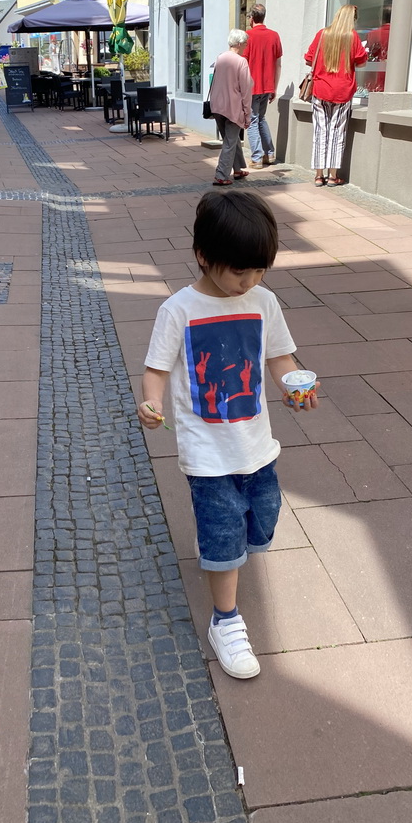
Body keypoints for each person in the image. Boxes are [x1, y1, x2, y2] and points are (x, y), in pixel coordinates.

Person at [138, 190, 319, 680]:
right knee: (223, 536)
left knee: (262, 519)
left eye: (259, 271)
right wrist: (150, 403)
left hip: (257, 443)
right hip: (207, 452)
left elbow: (279, 357)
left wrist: (293, 385)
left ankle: (221, 547)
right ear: (204, 256)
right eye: (240, 270)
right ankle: (226, 620)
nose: (250, 280)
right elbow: (156, 369)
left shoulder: (263, 301)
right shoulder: (179, 310)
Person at [303, 4, 367, 187]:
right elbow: (362, 62)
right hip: (343, 90)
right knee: (337, 133)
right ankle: (332, 176)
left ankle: (318, 175)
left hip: (321, 89)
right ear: (352, 19)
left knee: (320, 131)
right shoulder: (352, 37)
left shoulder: (323, 34)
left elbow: (309, 59)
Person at [209, 29, 252, 186]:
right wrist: (247, 113)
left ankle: (238, 169)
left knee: (230, 139)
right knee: (230, 141)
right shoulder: (241, 62)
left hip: (217, 106)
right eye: (246, 43)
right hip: (233, 108)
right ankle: (221, 175)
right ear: (240, 44)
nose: (246, 46)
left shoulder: (220, 58)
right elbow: (246, 90)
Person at [243, 3, 282, 168]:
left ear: (251, 18)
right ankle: (269, 154)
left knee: (252, 120)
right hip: (267, 85)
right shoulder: (274, 36)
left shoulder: (247, 36)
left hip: (251, 86)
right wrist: (275, 87)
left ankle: (257, 157)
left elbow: (243, 63)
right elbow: (278, 64)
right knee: (261, 119)